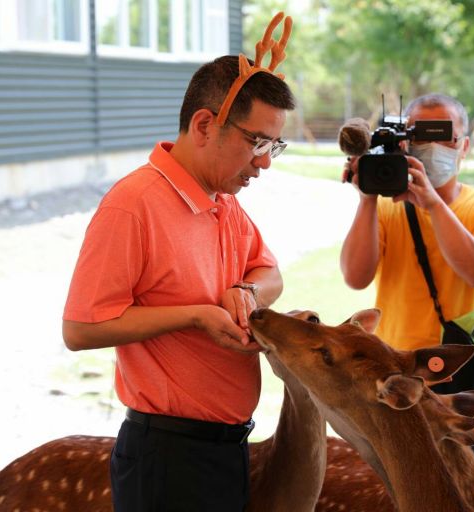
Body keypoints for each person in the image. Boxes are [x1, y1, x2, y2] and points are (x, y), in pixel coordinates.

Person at [62, 13, 295, 512]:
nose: (265, 162)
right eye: (257, 142)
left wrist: (249, 292)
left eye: (274, 146)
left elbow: (270, 273)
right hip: (166, 456)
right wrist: (194, 314)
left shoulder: (223, 200)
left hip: (227, 448)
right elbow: (81, 328)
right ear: (205, 124)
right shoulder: (134, 204)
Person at [340, 93, 474, 480]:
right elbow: (355, 276)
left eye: (445, 137)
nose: (433, 148)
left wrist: (432, 203)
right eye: (420, 136)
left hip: (460, 383)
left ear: (464, 146)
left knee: (472, 495)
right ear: (404, 143)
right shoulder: (386, 208)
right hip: (395, 378)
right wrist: (368, 197)